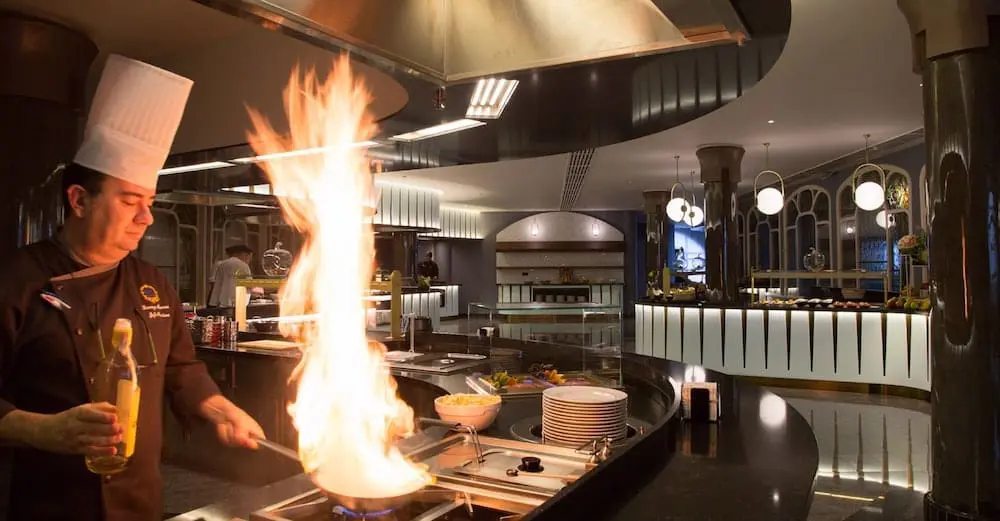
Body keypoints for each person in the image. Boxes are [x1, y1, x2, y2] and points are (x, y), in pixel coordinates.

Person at [0, 55, 264, 521]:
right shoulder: (17, 279)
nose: (146, 218)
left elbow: (181, 368)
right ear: (79, 200)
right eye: (129, 201)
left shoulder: (151, 283)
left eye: (150, 202)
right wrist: (41, 430)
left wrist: (219, 408)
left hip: (140, 502)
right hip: (50, 504)